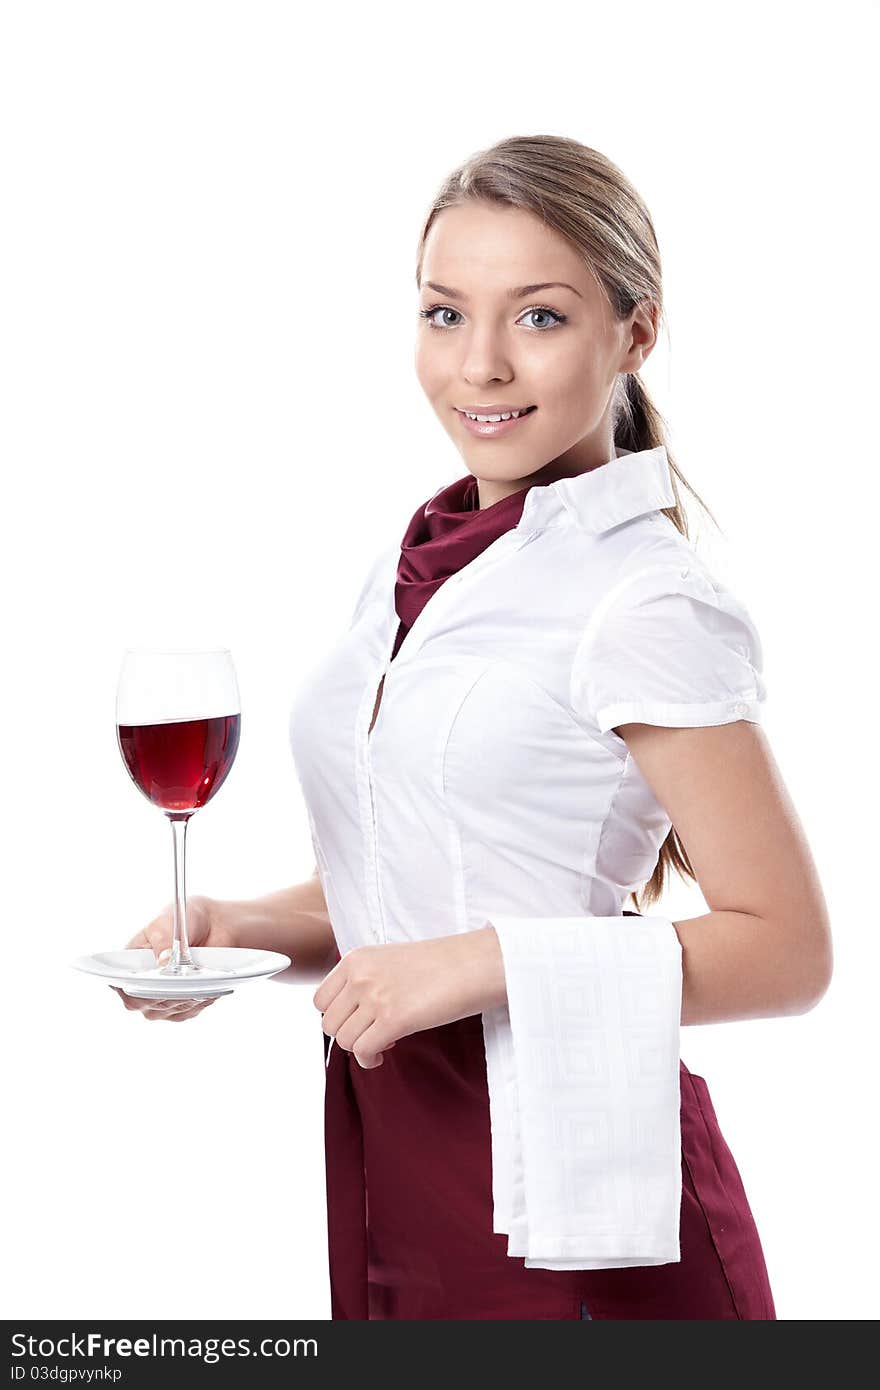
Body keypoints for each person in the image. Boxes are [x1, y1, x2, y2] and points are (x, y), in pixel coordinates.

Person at [115, 134, 833, 1320]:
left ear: (634, 335)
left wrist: (478, 966)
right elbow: (408, 891)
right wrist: (233, 925)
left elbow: (788, 950)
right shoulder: (415, 568)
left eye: (538, 318)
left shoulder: (643, 595)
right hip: (393, 1144)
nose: (481, 365)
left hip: (582, 1190)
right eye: (445, 314)